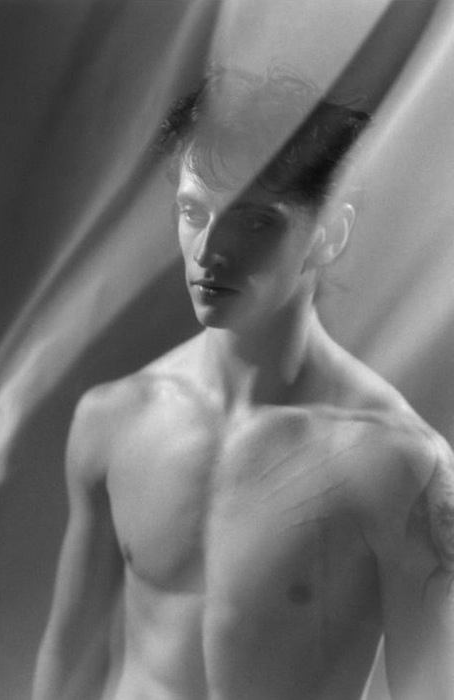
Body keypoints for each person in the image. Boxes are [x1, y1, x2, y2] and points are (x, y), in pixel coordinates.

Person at [32, 66, 454, 700]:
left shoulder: (398, 467)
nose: (209, 251)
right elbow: (68, 669)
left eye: (255, 221)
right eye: (193, 211)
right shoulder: (114, 421)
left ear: (329, 235)